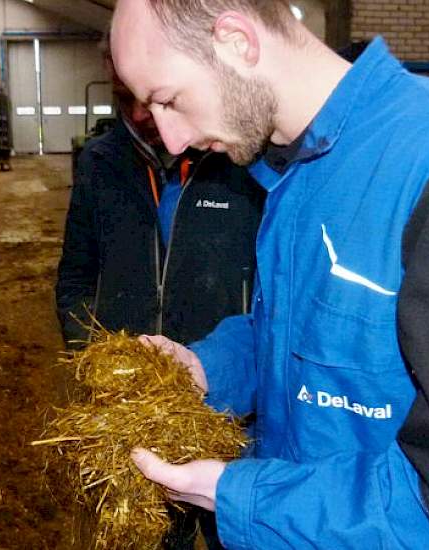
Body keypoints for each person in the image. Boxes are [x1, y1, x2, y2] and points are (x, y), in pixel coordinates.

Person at [110, 1, 429, 549]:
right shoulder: (297, 172)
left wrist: (240, 496)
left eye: (168, 100)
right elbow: (311, 334)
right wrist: (206, 370)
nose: (169, 141)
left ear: (237, 40)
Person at [54, 56, 265, 549]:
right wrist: (96, 358)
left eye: (160, 98)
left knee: (231, 531)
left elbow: (268, 289)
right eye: (131, 99)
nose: (147, 115)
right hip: (133, 405)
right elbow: (76, 273)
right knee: (149, 533)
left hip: (224, 404)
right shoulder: (101, 162)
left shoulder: (240, 166)